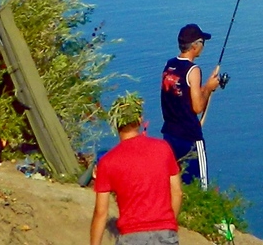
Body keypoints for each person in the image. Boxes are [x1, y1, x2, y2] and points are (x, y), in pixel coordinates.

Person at [91, 94, 181, 245]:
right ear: (139, 120)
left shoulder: (107, 162)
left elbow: (101, 213)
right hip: (166, 233)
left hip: (131, 236)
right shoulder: (163, 148)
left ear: (115, 124)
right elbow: (177, 192)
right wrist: (169, 224)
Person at [159, 22, 222, 185]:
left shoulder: (169, 65)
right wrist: (208, 88)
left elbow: (182, 95)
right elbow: (197, 107)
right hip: (189, 138)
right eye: (203, 43)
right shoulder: (193, 70)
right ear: (195, 45)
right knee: (199, 185)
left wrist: (206, 87)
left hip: (169, 135)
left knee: (174, 183)